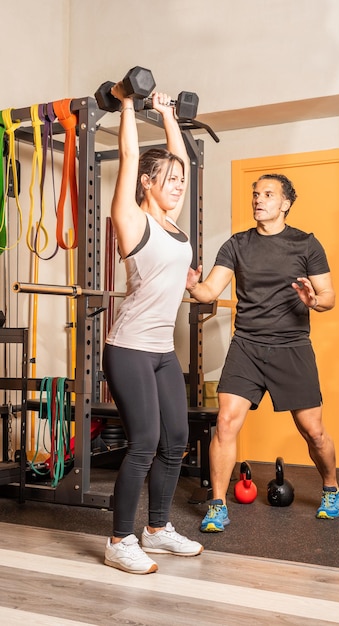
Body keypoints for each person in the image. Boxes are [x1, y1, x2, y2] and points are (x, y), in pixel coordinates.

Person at [186, 173, 339, 533]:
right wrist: (193, 285)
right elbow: (210, 291)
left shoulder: (306, 244)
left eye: (268, 194)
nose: (259, 200)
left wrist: (314, 301)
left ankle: (331, 488)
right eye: (256, 194)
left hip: (292, 347)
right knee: (225, 423)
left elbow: (329, 296)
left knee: (313, 432)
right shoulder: (237, 244)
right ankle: (218, 504)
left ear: (286, 203)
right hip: (247, 347)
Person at [102, 84, 203, 574]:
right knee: (144, 441)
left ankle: (157, 529)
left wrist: (166, 115)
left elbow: (181, 158)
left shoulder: (173, 223)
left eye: (181, 180)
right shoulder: (132, 218)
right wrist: (127, 105)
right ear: (145, 183)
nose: (178, 184)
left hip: (162, 350)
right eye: (167, 179)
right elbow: (128, 154)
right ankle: (120, 540)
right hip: (129, 349)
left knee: (176, 439)